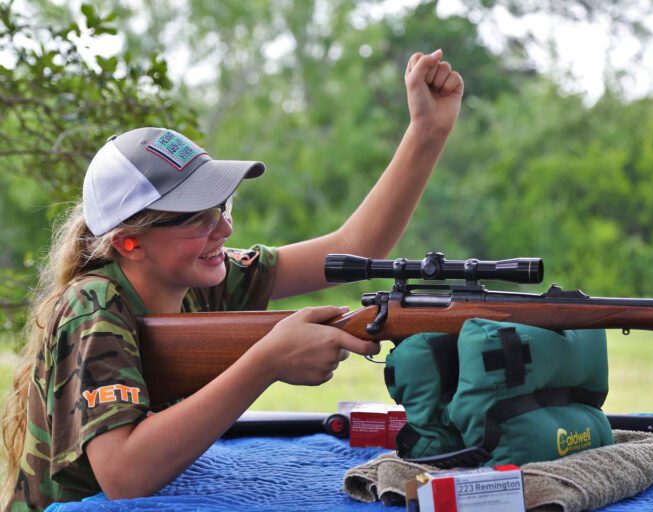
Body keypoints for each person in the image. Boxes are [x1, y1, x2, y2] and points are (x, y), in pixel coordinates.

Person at [0, 49, 463, 511]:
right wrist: (265, 362)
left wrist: (427, 131)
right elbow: (124, 475)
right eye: (196, 219)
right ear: (129, 243)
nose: (224, 230)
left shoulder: (203, 275)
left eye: (222, 208)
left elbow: (354, 248)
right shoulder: (94, 306)